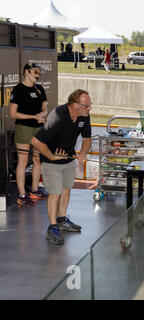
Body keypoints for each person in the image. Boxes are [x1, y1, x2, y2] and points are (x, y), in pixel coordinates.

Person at [31, 89, 92, 245]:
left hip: (68, 158)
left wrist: (83, 153)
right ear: (75, 104)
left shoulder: (84, 116)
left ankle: (62, 219)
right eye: (86, 105)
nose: (89, 108)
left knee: (66, 189)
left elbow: (87, 138)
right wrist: (51, 156)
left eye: (90, 105)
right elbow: (36, 141)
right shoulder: (58, 115)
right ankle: (52, 227)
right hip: (52, 161)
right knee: (55, 192)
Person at [9, 63, 48, 206]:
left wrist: (41, 115)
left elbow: (45, 109)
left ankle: (35, 190)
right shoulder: (18, 89)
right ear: (27, 72)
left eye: (39, 72)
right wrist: (32, 117)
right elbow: (13, 113)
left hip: (39, 129)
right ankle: (22, 195)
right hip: (24, 128)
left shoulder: (39, 88)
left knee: (37, 159)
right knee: (23, 160)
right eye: (35, 71)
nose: (37, 74)